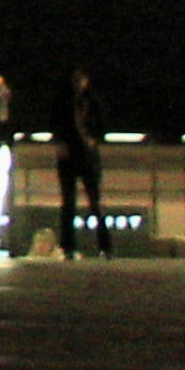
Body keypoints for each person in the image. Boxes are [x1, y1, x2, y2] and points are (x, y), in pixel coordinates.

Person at [54, 66, 108, 260]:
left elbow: (101, 126)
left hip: (85, 154)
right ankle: (69, 246)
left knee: (93, 202)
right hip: (75, 155)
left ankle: (103, 246)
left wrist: (93, 139)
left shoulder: (90, 102)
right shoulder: (69, 103)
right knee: (70, 203)